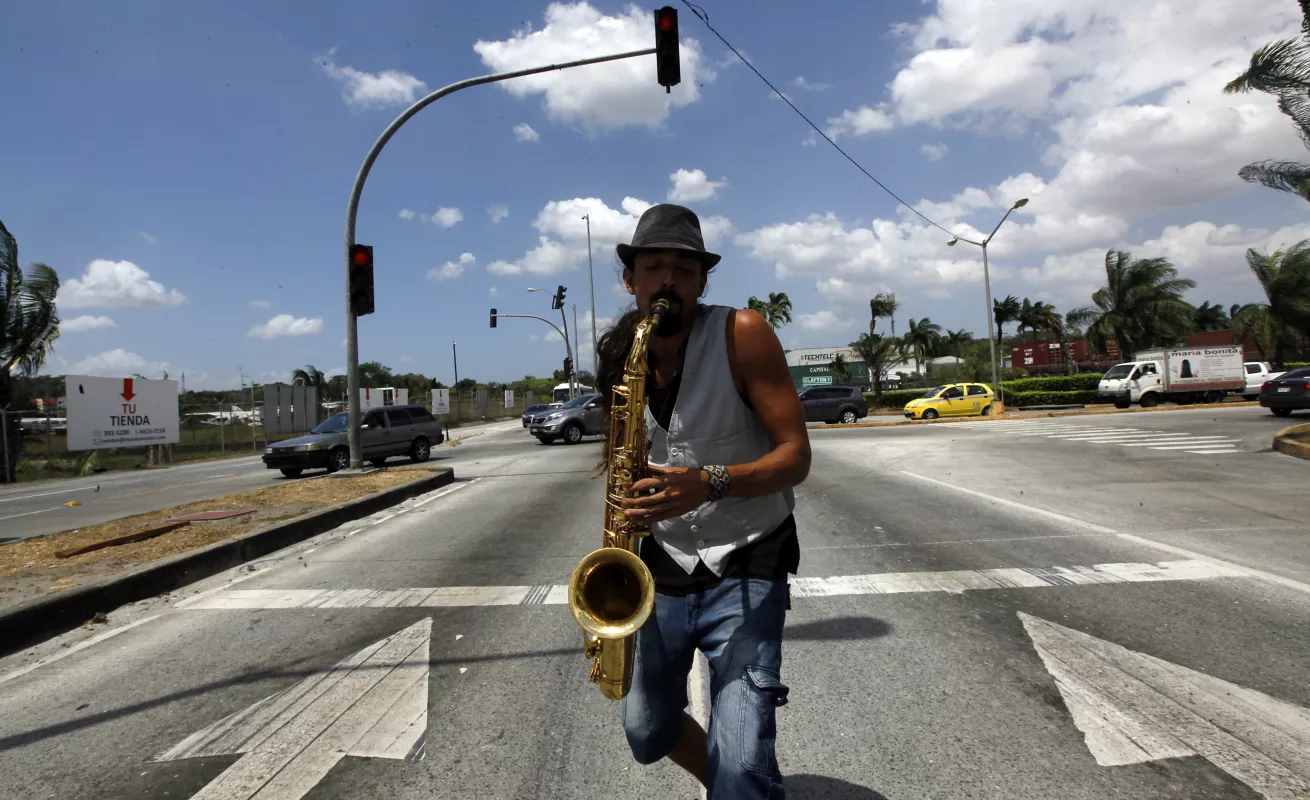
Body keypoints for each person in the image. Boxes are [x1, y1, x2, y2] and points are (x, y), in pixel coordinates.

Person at [593, 203, 812, 799]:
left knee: (744, 762)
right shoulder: (621, 354)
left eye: (683, 270)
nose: (668, 282)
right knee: (645, 730)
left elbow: (797, 456)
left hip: (748, 557)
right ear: (630, 279)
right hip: (661, 565)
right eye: (654, 268)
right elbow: (621, 465)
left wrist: (708, 480)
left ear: (702, 281)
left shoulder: (743, 333)